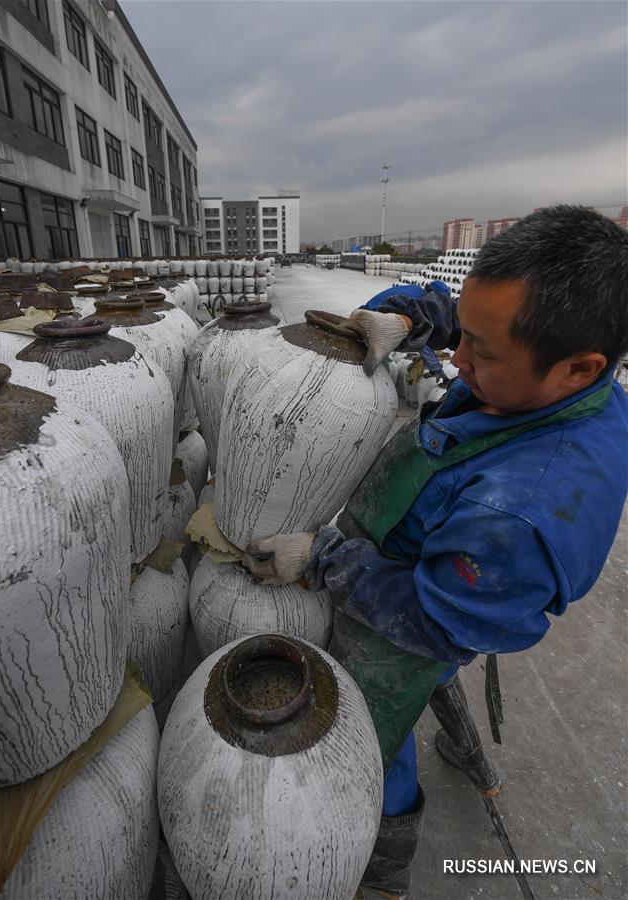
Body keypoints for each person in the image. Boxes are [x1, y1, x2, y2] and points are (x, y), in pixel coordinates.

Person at [242, 206, 628, 899]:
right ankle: (469, 753)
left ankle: (385, 869)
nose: (457, 358)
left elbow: (437, 620)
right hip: (444, 565)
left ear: (578, 367)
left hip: (422, 609)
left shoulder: (522, 513)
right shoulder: (557, 372)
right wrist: (408, 318)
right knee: (431, 668)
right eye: (465, 337)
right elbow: (460, 318)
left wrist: (326, 559)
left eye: (483, 352)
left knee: (371, 734)